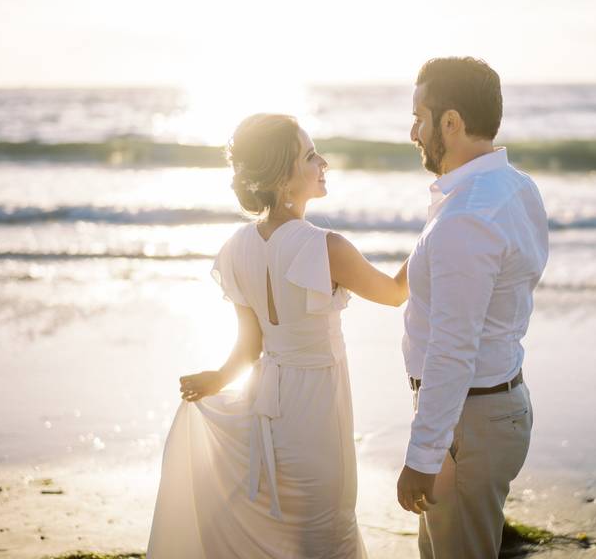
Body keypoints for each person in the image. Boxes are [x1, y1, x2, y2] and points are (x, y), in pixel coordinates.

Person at [147, 113, 409, 559]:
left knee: (290, 534)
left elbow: (251, 347)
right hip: (316, 413)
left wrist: (216, 379)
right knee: (330, 534)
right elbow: (395, 293)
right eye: (309, 156)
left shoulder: (235, 248)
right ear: (283, 181)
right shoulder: (328, 248)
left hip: (268, 407)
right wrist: (433, 240)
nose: (322, 161)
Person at [395, 57, 549, 559]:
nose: (413, 130)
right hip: (490, 406)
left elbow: (453, 348)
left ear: (451, 122)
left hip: (468, 420)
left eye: (419, 116)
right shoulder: (514, 187)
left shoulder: (467, 216)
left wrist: (423, 453)